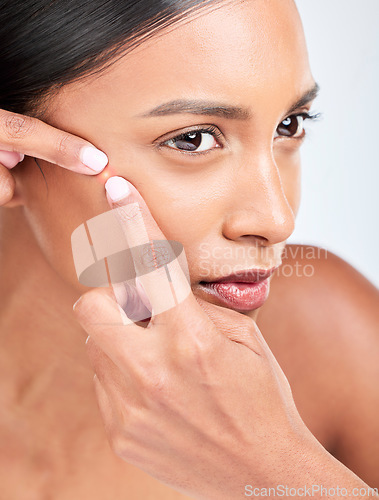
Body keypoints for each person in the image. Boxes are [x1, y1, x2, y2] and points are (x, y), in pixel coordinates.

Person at [0, 0, 378, 498]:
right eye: (194, 139)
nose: (276, 220)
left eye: (290, 125)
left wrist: (276, 468)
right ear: (14, 149)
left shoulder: (328, 337)